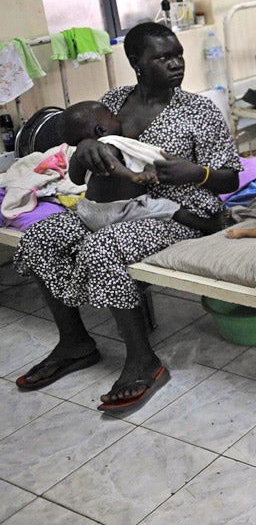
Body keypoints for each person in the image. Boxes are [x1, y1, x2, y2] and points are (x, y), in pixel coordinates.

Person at [14, 22, 241, 416]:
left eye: (178, 55)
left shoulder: (198, 110)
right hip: (107, 207)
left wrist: (196, 172)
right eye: (162, 57)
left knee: (102, 249)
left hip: (175, 213)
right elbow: (79, 172)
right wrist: (84, 147)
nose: (175, 64)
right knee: (38, 240)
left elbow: (230, 178)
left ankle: (142, 360)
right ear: (137, 63)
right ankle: (75, 343)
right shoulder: (113, 102)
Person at [62, 100, 227, 236]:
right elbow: (112, 165)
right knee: (168, 208)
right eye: (112, 116)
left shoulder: (83, 155)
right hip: (122, 211)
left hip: (89, 212)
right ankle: (209, 225)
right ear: (101, 129)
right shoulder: (109, 143)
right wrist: (133, 176)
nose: (117, 117)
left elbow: (76, 179)